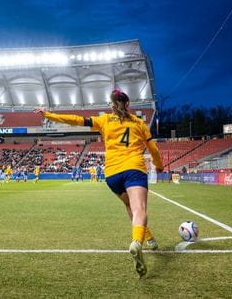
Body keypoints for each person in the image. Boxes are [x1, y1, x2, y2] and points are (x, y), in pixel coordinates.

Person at [34, 89, 163, 277]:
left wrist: (48, 115)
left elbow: (77, 120)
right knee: (139, 208)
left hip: (112, 175)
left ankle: (149, 238)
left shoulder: (103, 120)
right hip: (133, 169)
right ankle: (137, 242)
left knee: (129, 205)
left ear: (112, 105)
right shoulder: (139, 123)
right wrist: (159, 166)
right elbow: (153, 147)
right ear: (127, 105)